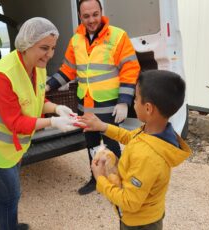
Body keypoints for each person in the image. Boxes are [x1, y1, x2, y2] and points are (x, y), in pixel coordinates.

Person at [0, 17, 78, 230]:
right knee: (11, 194)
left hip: (9, 148)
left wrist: (55, 108)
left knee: (6, 194)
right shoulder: (1, 75)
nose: (50, 55)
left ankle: (6, 226)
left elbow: (35, 99)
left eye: (53, 48)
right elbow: (15, 122)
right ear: (26, 45)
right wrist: (53, 122)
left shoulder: (37, 66)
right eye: (44, 48)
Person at [46, 0, 141, 195]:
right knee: (91, 143)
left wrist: (124, 101)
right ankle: (96, 179)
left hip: (108, 104)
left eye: (95, 14)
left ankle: (118, 183)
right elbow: (68, 70)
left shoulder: (117, 36)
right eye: (86, 16)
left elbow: (130, 69)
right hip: (86, 105)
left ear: (101, 12)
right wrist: (48, 86)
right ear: (80, 16)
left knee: (111, 144)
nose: (91, 20)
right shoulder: (76, 40)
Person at [79, 70, 192, 230]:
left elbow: (129, 202)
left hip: (139, 224)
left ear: (148, 108)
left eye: (136, 98)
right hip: (147, 215)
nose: (133, 102)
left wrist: (100, 179)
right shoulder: (154, 132)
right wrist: (102, 126)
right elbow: (129, 136)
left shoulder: (148, 157)